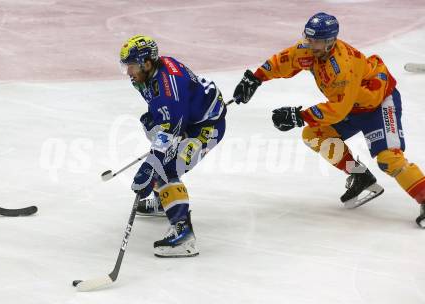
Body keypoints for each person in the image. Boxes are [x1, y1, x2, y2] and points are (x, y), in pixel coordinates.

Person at [232, 12, 425, 227]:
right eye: (308, 37)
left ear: (330, 42)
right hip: (352, 105)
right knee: (314, 135)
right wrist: (255, 78)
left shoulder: (342, 67)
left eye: (315, 41)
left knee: (389, 159)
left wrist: (299, 115)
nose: (309, 44)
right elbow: (284, 60)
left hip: (378, 104)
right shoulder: (311, 49)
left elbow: (338, 110)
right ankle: (359, 175)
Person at [120, 35, 227, 257]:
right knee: (152, 131)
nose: (129, 72)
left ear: (146, 63)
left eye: (131, 66)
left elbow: (171, 131)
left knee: (164, 171)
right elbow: (168, 121)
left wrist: (151, 166)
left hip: (206, 128)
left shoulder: (169, 87)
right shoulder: (148, 75)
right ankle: (163, 201)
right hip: (188, 121)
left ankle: (184, 235)